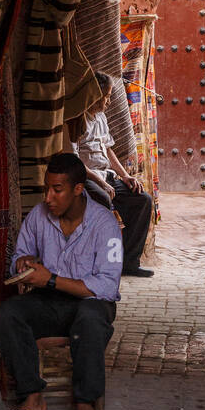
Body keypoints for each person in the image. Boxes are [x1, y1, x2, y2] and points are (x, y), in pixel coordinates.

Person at [0, 151, 122, 410]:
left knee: (89, 319)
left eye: (57, 190)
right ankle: (32, 396)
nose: (48, 197)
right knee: (8, 314)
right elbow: (22, 251)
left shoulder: (104, 224)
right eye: (46, 189)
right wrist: (23, 262)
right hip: (51, 303)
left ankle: (85, 401)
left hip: (91, 303)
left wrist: (51, 279)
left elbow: (106, 287)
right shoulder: (39, 216)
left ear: (78, 190)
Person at [69, 70, 154, 278]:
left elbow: (108, 149)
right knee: (102, 199)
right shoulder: (75, 120)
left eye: (108, 97)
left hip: (105, 176)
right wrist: (100, 181)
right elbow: (75, 160)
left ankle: (129, 262)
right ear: (93, 94)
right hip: (86, 178)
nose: (107, 102)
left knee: (142, 199)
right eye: (105, 97)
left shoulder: (101, 117)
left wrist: (125, 176)